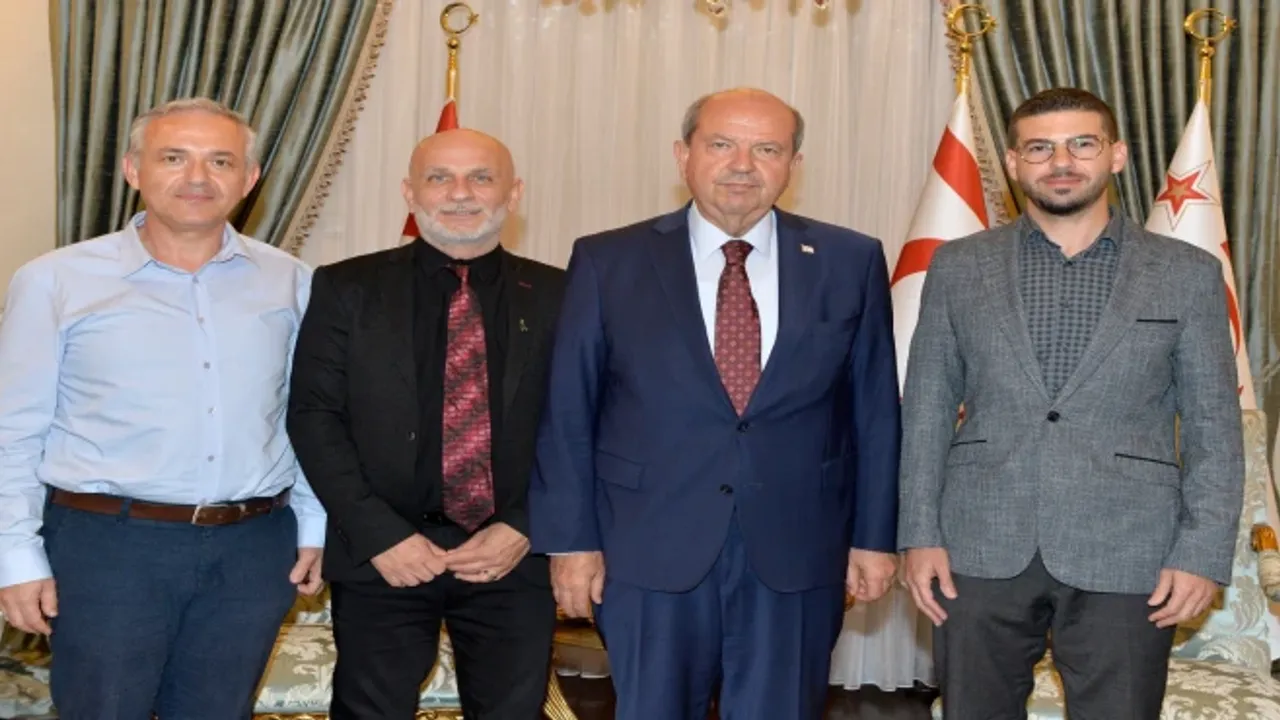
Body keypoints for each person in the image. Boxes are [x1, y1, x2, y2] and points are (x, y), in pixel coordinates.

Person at [528, 87, 901, 719]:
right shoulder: (608, 260)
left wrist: (874, 539)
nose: (742, 165)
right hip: (646, 546)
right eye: (722, 144)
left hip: (798, 547)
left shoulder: (850, 259)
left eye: (767, 149)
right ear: (683, 155)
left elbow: (875, 412)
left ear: (794, 165)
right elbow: (569, 411)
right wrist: (570, 543)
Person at [898, 87, 1245, 719]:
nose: (1061, 161)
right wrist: (918, 534)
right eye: (1040, 148)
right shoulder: (958, 266)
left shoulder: (1187, 273)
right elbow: (926, 408)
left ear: (1116, 154)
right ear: (1012, 162)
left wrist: (1200, 553)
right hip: (978, 543)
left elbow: (1213, 427)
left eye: (1082, 144)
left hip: (1130, 548)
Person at [0, 97, 325, 719]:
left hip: (254, 548)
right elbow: (13, 431)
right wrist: (15, 556)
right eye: (173, 158)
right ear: (133, 169)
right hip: (107, 548)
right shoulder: (54, 281)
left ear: (250, 178)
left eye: (220, 161)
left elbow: (307, 415)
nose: (198, 177)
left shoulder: (291, 281)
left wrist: (312, 526)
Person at [286, 128, 564, 719]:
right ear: (410, 194)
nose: (460, 194)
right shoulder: (346, 287)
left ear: (513, 194)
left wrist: (526, 526)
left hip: (513, 555)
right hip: (384, 555)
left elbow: (582, 425)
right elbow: (314, 416)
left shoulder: (560, 293)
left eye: (481, 178)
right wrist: (380, 535)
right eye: (440, 178)